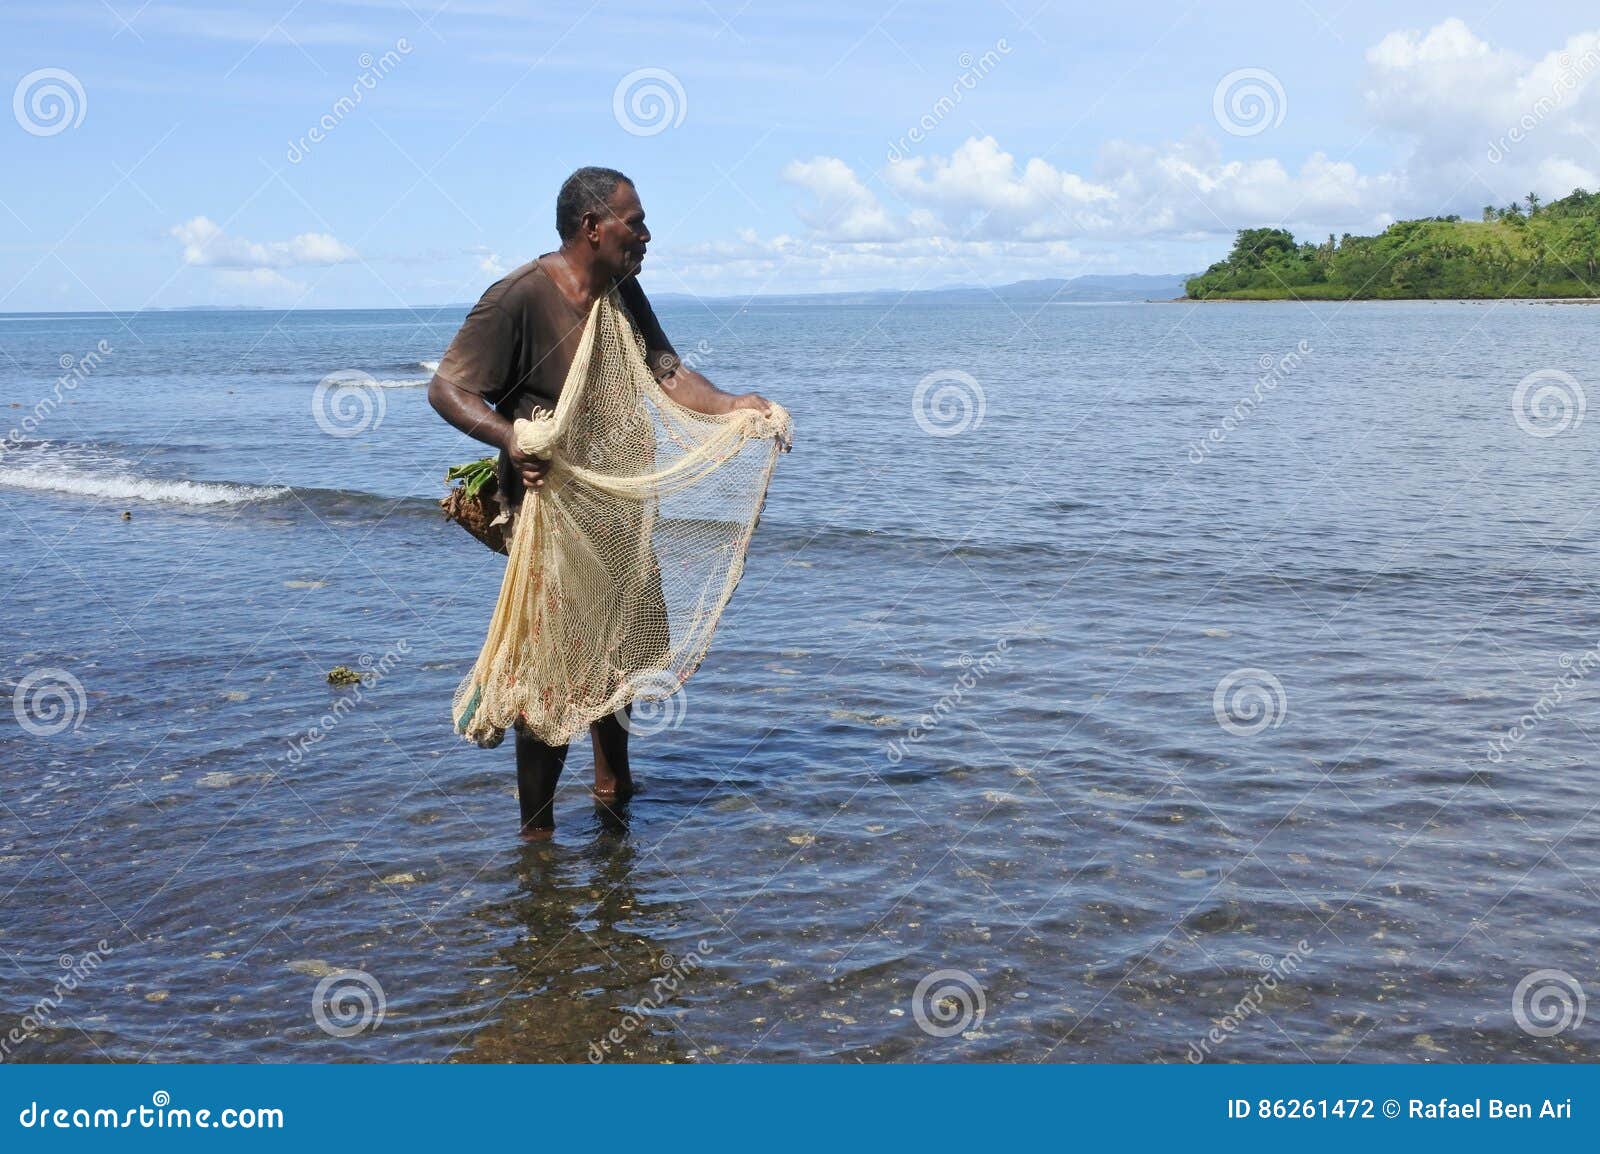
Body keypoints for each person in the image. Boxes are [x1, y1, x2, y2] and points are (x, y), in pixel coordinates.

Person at [427, 166, 775, 840]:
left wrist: (736, 407)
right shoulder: (520, 297)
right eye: (634, 221)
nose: (645, 235)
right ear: (592, 228)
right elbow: (447, 390)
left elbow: (667, 373)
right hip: (552, 513)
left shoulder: (620, 290)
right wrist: (512, 438)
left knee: (616, 659)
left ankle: (614, 790)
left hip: (618, 506)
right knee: (553, 672)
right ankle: (537, 836)